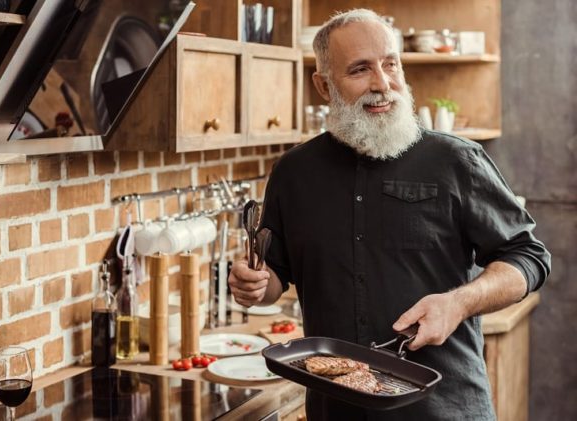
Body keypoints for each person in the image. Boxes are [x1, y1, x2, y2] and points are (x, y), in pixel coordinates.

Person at [228, 8, 551, 421]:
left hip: (444, 408)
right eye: (360, 69)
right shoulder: (293, 173)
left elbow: (530, 257)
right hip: (336, 411)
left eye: (391, 64)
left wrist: (459, 303)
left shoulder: (457, 160)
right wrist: (255, 285)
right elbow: (273, 277)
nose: (382, 84)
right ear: (324, 86)